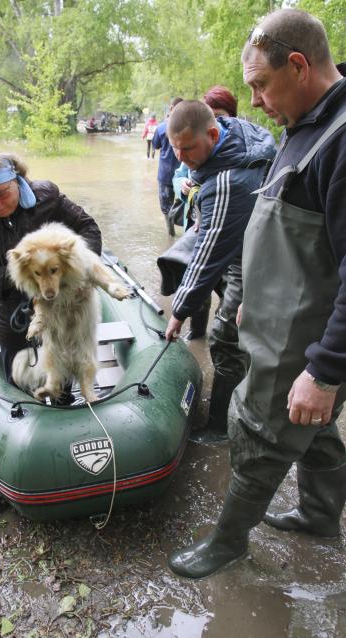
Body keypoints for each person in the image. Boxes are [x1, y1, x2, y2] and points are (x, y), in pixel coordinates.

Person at [168, 8, 346, 581]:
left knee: (258, 431)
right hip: (275, 319)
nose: (256, 101)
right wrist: (249, 295)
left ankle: (227, 542)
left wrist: (324, 370)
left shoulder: (340, 139)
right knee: (312, 429)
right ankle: (321, 515)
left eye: (260, 85)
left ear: (299, 65)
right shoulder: (302, 126)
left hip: (307, 338)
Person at [164, 100, 275, 443]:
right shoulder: (239, 132)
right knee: (240, 330)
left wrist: (178, 311)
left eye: (187, 148)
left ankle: (221, 428)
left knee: (225, 336)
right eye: (174, 149)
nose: (180, 158)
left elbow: (207, 256)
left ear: (212, 134)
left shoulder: (227, 181)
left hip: (254, 258)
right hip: (258, 244)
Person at [0, 149, 102, 399]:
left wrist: (75, 269)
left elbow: (88, 229)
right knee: (18, 385)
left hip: (62, 311)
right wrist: (29, 279)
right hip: (12, 319)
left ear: (17, 180)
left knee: (61, 380)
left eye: (3, 193)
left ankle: (63, 404)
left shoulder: (47, 198)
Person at [171, 86, 239, 340]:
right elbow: (178, 177)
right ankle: (196, 333)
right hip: (196, 225)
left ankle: (223, 327)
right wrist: (183, 187)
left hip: (224, 234)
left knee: (221, 284)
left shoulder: (231, 155)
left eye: (220, 114)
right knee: (197, 282)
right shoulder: (191, 149)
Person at [152, 97, 183, 237]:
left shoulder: (161, 128)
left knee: (166, 207)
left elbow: (155, 145)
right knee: (187, 203)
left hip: (165, 174)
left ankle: (171, 235)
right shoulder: (190, 127)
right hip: (185, 174)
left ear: (171, 108)